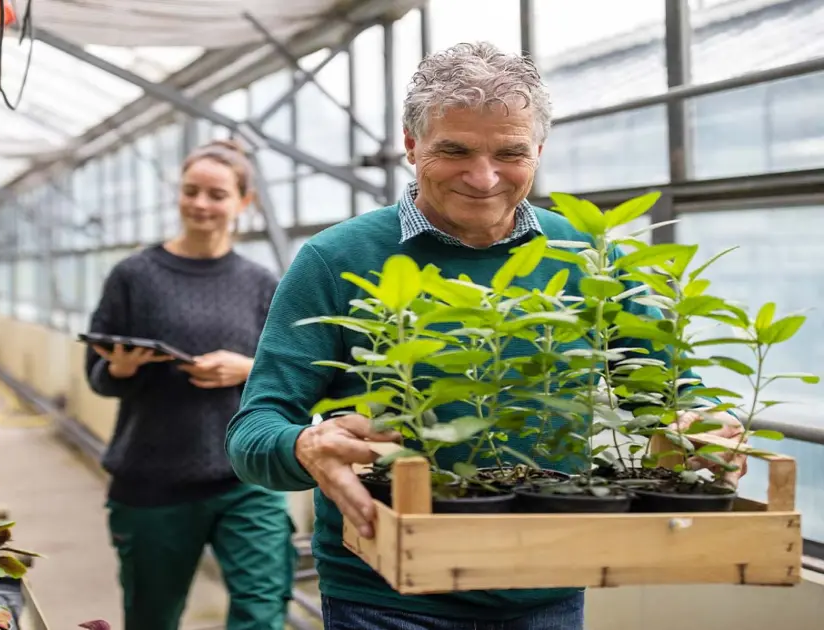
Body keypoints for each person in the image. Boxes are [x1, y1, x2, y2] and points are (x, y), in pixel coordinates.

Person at [226, 42, 746, 630]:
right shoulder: (334, 258)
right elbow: (253, 433)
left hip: (545, 588)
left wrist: (700, 429)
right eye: (454, 150)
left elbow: (673, 399)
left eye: (510, 152)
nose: (483, 176)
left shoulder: (591, 258)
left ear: (539, 151)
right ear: (410, 144)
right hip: (387, 595)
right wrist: (302, 445)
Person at [84, 139, 296, 630]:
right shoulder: (134, 275)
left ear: (244, 203)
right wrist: (121, 367)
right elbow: (95, 377)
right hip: (154, 479)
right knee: (152, 617)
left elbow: (290, 371)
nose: (201, 204)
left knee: (262, 614)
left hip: (248, 477)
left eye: (216, 194)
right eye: (190, 191)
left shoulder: (263, 282)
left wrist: (244, 369)